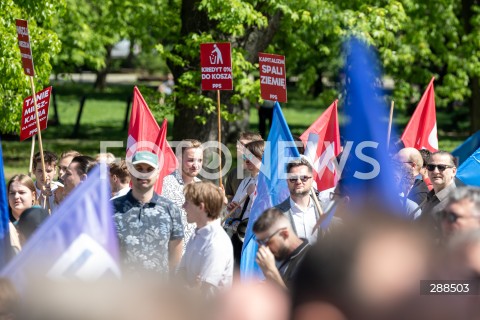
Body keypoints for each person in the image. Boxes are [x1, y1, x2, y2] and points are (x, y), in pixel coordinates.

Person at [112, 151, 184, 276]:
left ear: (157, 173)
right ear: (130, 172)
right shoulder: (112, 208)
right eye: (138, 168)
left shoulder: (170, 209)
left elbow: (175, 255)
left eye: (149, 169)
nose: (143, 174)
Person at [177, 182, 233, 296]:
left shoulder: (217, 242)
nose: (183, 207)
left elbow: (206, 292)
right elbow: (181, 273)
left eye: (187, 203)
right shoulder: (196, 235)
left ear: (201, 207)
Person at [224, 140, 264, 264]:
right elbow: (237, 208)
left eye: (252, 156)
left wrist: (253, 194)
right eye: (246, 156)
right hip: (241, 234)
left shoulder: (267, 182)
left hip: (258, 236)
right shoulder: (245, 181)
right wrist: (232, 209)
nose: (247, 159)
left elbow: (267, 206)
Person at [253, 208, 310, 290]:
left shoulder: (312, 261)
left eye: (266, 241)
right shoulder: (282, 258)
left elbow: (301, 302)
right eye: (260, 242)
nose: (264, 248)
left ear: (284, 234)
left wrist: (271, 272)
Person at [162, 139, 203, 249]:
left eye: (200, 160)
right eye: (190, 160)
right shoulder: (165, 184)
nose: (196, 165)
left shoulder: (202, 187)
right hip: (172, 255)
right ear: (179, 159)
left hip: (197, 254)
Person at [274, 158, 323, 243]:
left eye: (304, 178)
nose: (299, 182)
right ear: (287, 181)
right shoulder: (274, 214)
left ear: (312, 179)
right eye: (293, 178)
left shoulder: (326, 209)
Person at [420, 151, 458, 228]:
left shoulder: (457, 202)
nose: (435, 171)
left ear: (453, 171)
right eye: (431, 167)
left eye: (441, 167)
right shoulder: (429, 197)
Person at [224, 132, 263, 201]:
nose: (237, 146)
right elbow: (231, 200)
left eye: (242, 144)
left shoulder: (264, 178)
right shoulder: (234, 173)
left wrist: (252, 194)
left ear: (255, 148)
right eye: (238, 144)